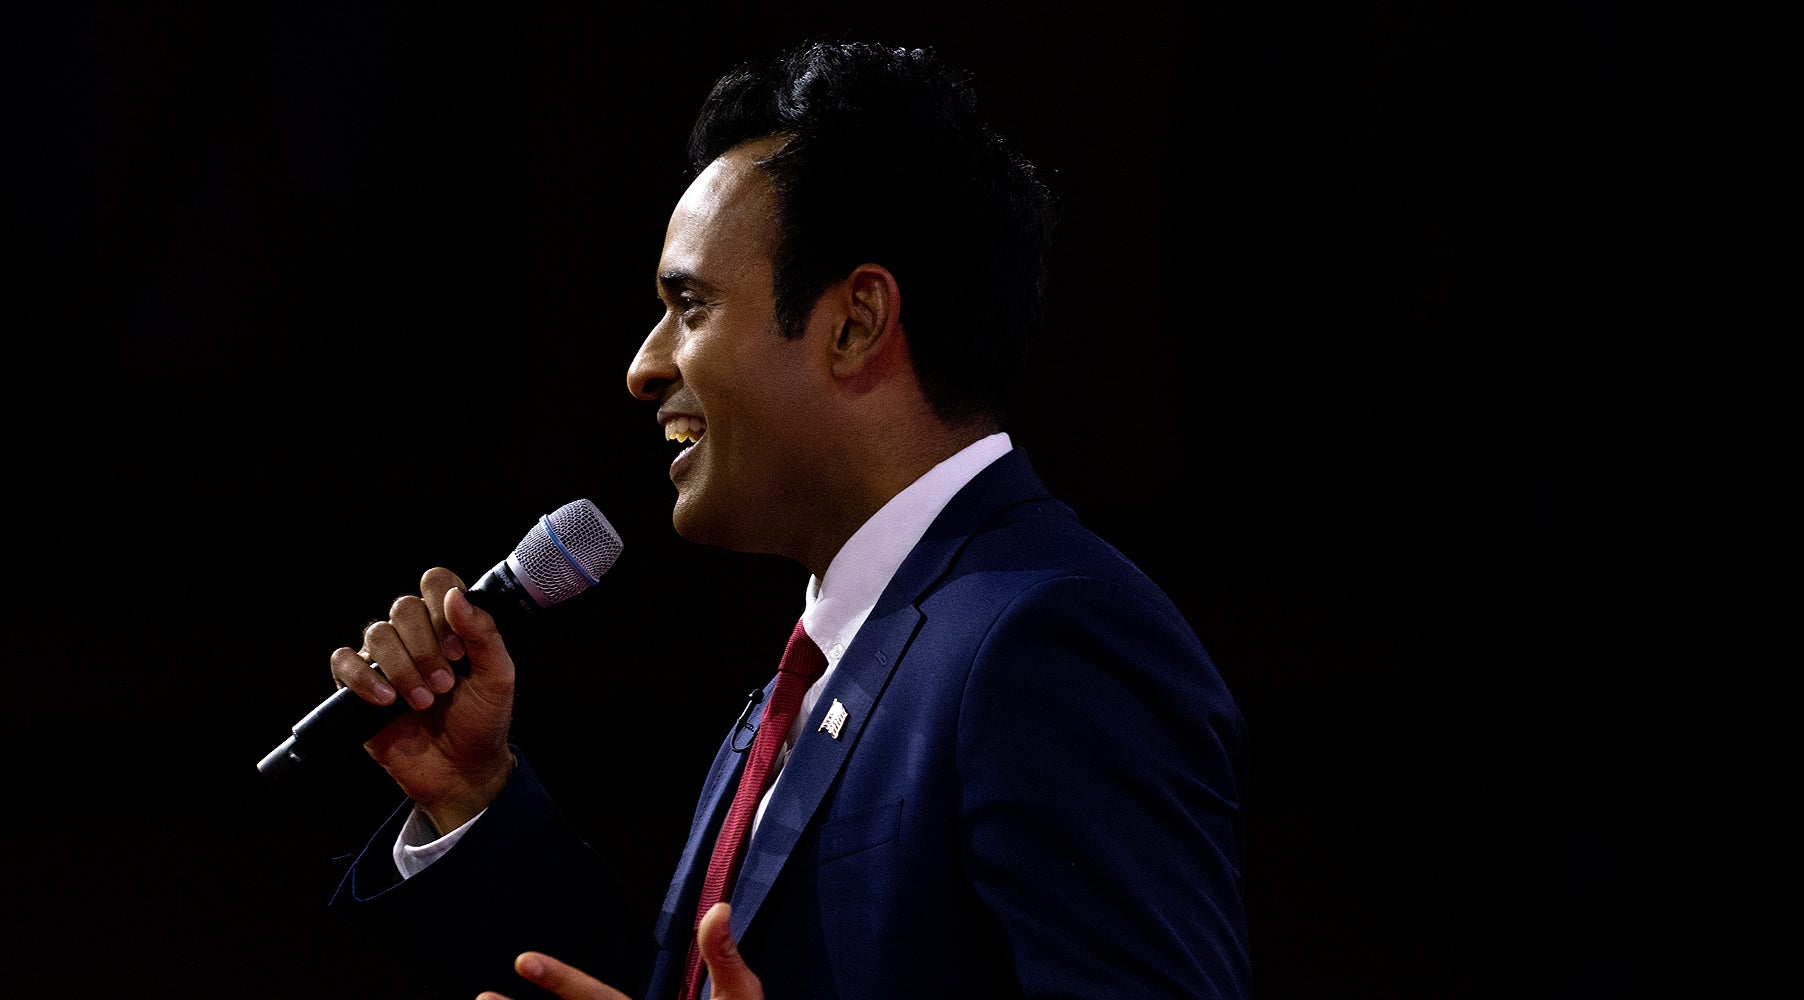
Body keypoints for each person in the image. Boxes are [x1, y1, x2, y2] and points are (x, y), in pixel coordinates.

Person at [316, 39, 1252, 1000]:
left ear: (854, 323)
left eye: (689, 306)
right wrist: (474, 797)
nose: (644, 365)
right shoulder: (834, 655)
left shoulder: (1047, 639)